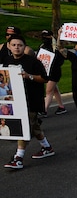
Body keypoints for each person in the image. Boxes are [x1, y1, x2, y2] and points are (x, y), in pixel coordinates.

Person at [1, 35, 55, 170]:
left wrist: (28, 76)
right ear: (9, 46)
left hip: (32, 100)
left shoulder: (33, 62)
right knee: (34, 126)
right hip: (16, 102)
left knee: (24, 128)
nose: (17, 47)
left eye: (20, 45)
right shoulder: (6, 61)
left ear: (25, 47)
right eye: (14, 45)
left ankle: (18, 157)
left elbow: (44, 78)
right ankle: (47, 147)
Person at [38, 30, 67, 115]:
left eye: (47, 36)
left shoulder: (55, 47)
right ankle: (61, 107)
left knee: (49, 91)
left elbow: (61, 57)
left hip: (54, 72)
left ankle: (45, 110)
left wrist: (59, 35)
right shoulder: (42, 46)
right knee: (54, 90)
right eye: (43, 36)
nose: (45, 38)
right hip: (46, 71)